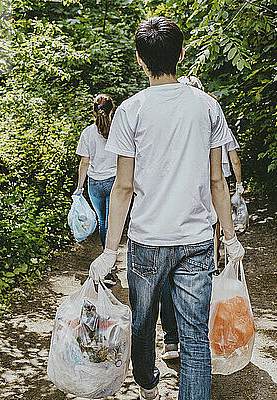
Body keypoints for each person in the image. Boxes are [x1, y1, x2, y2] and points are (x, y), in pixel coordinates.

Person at [87, 16, 245, 400]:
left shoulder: (130, 111)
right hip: (195, 241)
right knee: (194, 340)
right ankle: (153, 383)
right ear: (182, 53)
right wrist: (229, 236)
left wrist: (110, 251)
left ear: (140, 58)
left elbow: (123, 186)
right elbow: (216, 180)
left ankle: (147, 384)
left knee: (143, 327)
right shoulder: (206, 106)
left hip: (146, 241)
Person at [157, 77, 246, 362]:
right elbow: (221, 174)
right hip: (201, 218)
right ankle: (193, 335)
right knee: (197, 281)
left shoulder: (168, 121)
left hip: (170, 218)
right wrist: (229, 238)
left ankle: (173, 338)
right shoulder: (210, 112)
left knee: (168, 282)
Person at [74, 94, 118, 287]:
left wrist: (79, 187)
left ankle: (106, 261)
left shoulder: (87, 133)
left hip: (95, 183)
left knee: (103, 223)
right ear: (112, 111)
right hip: (115, 181)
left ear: (94, 111)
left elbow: (85, 162)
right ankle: (109, 263)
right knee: (112, 221)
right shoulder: (117, 131)